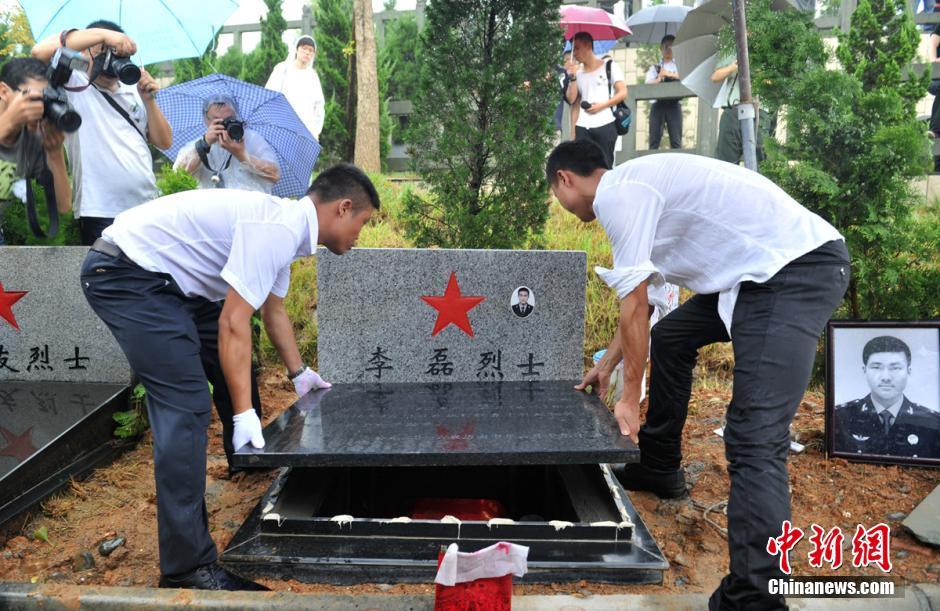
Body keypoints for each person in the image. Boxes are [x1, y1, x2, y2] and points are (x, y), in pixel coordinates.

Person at [545, 140, 850, 610]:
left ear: (565, 178)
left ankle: (756, 596)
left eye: (554, 194)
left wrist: (629, 398)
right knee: (673, 335)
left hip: (791, 272)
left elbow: (633, 304)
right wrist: (606, 365)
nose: (561, 206)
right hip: (748, 278)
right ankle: (660, 465)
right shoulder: (639, 194)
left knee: (754, 439)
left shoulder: (618, 195)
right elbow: (646, 308)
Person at [80, 164, 380, 590]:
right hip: (129, 275)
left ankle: (245, 457)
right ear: (343, 208)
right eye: (362, 223)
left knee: (233, 361)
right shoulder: (274, 229)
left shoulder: (288, 230)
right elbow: (233, 323)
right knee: (186, 404)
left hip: (175, 282)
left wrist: (300, 373)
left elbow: (272, 312)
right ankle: (186, 568)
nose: (359, 235)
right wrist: (242, 413)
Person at [32, 21, 173, 246]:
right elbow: (39, 52)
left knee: (148, 279)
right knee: (108, 280)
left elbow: (164, 141)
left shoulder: (132, 89)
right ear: (86, 51)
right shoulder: (72, 82)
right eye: (103, 51)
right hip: (100, 209)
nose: (110, 59)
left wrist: (149, 101)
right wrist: (105, 36)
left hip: (147, 204)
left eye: (117, 53)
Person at [0, 58, 72, 244]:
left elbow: (63, 206)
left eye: (45, 99)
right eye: (33, 98)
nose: (39, 107)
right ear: (3, 91)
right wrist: (7, 123)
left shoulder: (32, 135)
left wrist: (54, 153)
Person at [834, 336, 940, 458]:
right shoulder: (840, 416)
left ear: (908, 371)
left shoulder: (932, 422)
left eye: (895, 368)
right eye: (876, 367)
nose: (886, 377)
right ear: (864, 370)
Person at [174, 95, 280, 193]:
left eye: (229, 120)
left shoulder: (252, 139)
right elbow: (176, 178)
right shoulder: (196, 146)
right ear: (206, 120)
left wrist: (242, 155)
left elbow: (274, 175)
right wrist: (204, 145)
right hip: (212, 210)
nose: (225, 125)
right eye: (218, 121)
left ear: (236, 117)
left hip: (250, 209)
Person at [564, 32, 627, 169]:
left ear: (588, 46)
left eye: (577, 48)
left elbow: (623, 92)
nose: (574, 53)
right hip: (582, 126)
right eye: (573, 49)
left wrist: (602, 105)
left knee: (605, 167)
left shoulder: (609, 66)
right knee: (583, 169)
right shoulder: (578, 73)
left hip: (605, 123)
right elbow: (571, 99)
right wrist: (572, 77)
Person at [709, 53, 774, 165]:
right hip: (733, 109)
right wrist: (733, 67)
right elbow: (715, 77)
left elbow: (774, 81)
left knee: (760, 158)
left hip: (758, 110)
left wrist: (757, 72)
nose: (750, 34)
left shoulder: (768, 50)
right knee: (726, 161)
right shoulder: (733, 50)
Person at [265, 35, 325, 141]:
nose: (307, 52)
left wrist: (316, 131)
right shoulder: (282, 69)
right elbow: (269, 96)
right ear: (296, 49)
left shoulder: (312, 75)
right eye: (304, 48)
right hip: (282, 126)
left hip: (306, 129)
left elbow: (319, 105)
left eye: (311, 50)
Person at [645, 35, 682, 150]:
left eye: (671, 46)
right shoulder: (655, 67)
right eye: (666, 46)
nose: (668, 49)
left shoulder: (679, 65)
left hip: (674, 104)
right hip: (658, 104)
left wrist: (669, 74)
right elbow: (647, 84)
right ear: (661, 48)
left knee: (676, 140)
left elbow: (685, 77)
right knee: (654, 140)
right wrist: (659, 78)